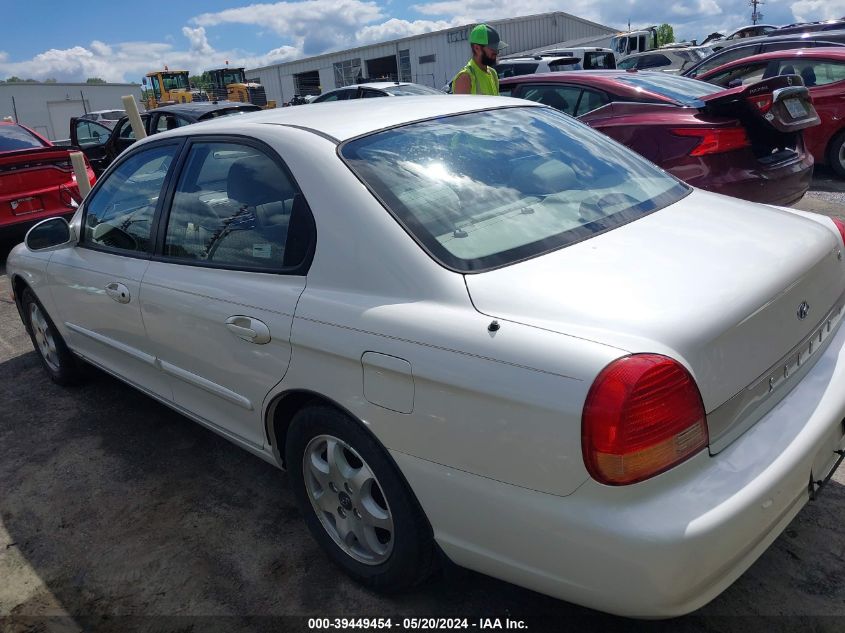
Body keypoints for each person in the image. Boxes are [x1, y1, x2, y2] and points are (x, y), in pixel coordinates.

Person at [452, 24, 507, 95]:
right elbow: (461, 106)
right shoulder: (465, 78)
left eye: (497, 48)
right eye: (492, 48)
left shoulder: (493, 73)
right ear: (477, 48)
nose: (497, 52)